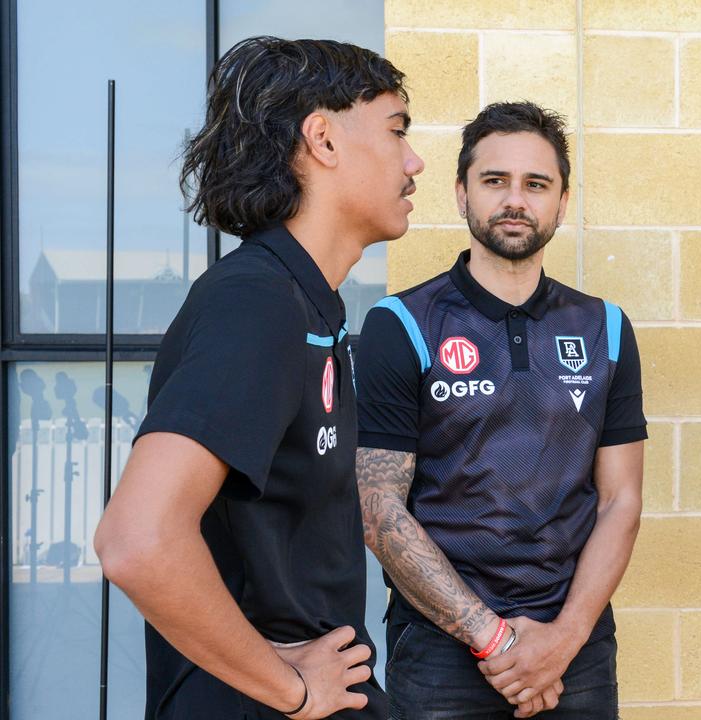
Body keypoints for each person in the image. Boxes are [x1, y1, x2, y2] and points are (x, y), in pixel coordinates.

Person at [94, 36, 423, 720]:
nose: (414, 160)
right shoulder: (257, 302)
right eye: (396, 132)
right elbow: (137, 540)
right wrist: (291, 688)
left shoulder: (304, 304)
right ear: (323, 139)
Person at [354, 101, 646, 719]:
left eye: (536, 184)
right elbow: (378, 511)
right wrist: (496, 641)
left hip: (576, 645)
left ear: (561, 202)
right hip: (443, 647)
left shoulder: (606, 328)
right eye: (495, 181)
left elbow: (622, 501)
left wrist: (562, 639)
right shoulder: (401, 324)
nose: (516, 200)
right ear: (461, 194)